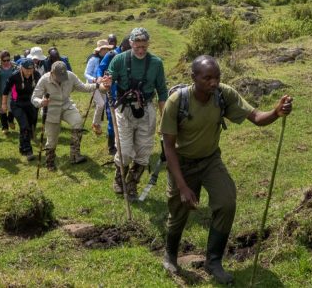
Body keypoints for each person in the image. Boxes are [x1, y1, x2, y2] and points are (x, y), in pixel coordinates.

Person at [159, 55, 293, 284]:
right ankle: (170, 255)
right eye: (207, 78)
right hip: (182, 163)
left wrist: (276, 112)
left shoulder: (224, 94)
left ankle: (213, 261)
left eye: (217, 77)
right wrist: (182, 186)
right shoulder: (176, 101)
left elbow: (257, 118)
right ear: (194, 78)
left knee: (227, 201)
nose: (213, 82)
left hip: (211, 160)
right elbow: (168, 147)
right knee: (179, 211)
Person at [107, 27, 168, 200]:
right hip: (124, 110)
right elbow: (108, 80)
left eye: (144, 46)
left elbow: (162, 92)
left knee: (144, 152)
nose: (140, 50)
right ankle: (119, 177)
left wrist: (164, 119)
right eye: (137, 47)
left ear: (148, 44)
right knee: (124, 151)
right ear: (131, 44)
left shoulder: (156, 63)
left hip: (147, 110)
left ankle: (132, 183)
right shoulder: (118, 60)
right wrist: (105, 83)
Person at [32, 61, 111, 170]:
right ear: (52, 73)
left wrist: (98, 85)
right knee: (52, 139)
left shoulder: (70, 76)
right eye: (59, 76)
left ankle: (75, 155)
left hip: (66, 106)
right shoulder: (44, 79)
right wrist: (41, 102)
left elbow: (83, 87)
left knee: (77, 121)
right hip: (50, 110)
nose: (62, 78)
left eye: (63, 75)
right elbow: (34, 97)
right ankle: (50, 161)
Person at [2, 59, 42, 161]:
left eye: (31, 69)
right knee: (24, 126)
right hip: (17, 104)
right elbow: (5, 91)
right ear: (21, 68)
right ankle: (28, 151)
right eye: (27, 70)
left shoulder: (37, 75)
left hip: (31, 103)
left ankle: (22, 147)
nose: (29, 72)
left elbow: (43, 88)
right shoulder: (14, 76)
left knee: (30, 125)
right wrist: (4, 105)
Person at [97, 36, 131, 155]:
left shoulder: (131, 55)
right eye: (127, 48)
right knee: (112, 118)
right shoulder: (111, 55)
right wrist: (100, 78)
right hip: (112, 91)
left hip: (127, 91)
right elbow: (100, 68)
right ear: (123, 46)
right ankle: (112, 146)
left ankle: (124, 143)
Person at [84, 39, 113, 135]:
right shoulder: (93, 59)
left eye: (107, 49)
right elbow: (86, 73)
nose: (106, 51)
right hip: (92, 85)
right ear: (99, 50)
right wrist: (94, 79)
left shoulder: (106, 59)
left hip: (101, 84)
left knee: (103, 103)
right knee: (101, 104)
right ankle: (95, 124)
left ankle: (97, 123)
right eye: (104, 49)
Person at [0, 50, 17, 135]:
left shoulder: (14, 66)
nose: (6, 62)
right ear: (0, 60)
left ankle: (10, 120)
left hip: (12, 91)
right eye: (4, 60)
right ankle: (5, 128)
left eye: (8, 60)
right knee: (1, 109)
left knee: (12, 107)